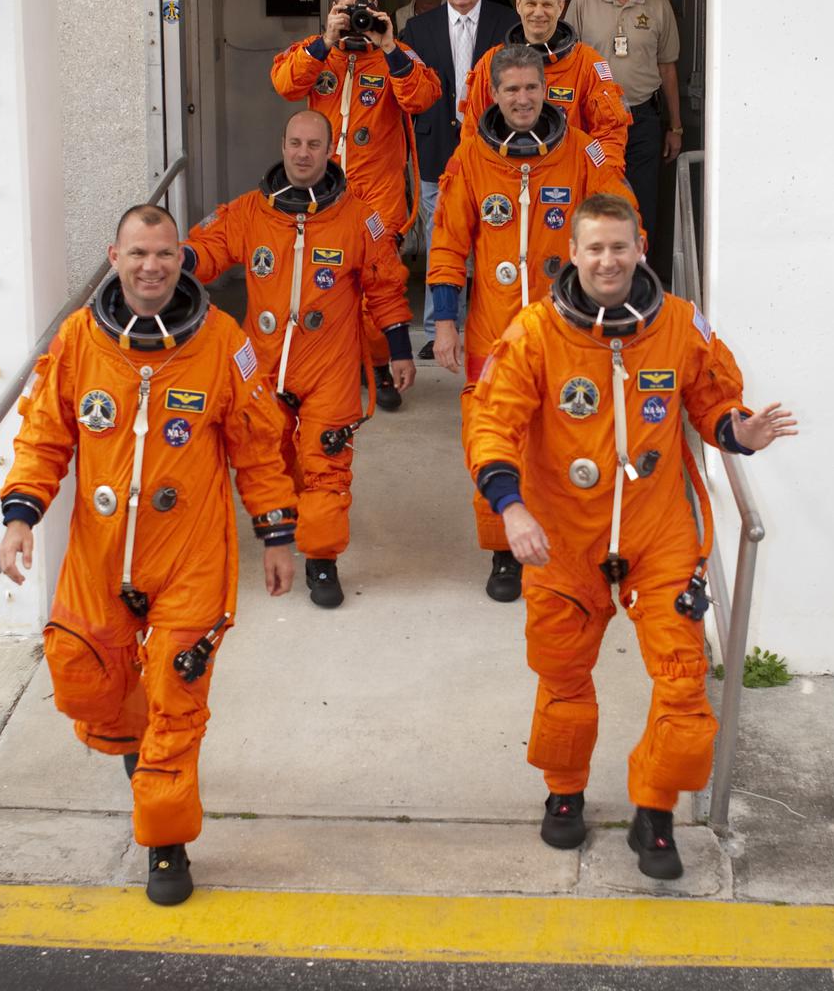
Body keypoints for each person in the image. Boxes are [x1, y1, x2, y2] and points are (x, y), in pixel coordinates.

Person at [466, 193, 797, 879]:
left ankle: (654, 809)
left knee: (681, 685)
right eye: (595, 248)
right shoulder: (534, 333)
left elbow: (713, 401)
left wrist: (742, 432)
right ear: (575, 254)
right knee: (561, 678)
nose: (608, 260)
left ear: (638, 249)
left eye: (619, 247)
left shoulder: (678, 325)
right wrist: (512, 510)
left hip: (658, 529)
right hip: (562, 534)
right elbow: (490, 423)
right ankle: (563, 794)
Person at [0, 205, 298, 907]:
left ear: (181, 259)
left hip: (189, 555)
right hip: (99, 555)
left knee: (176, 695)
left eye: (165, 253)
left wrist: (277, 531)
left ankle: (166, 843)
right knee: (82, 676)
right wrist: (20, 517)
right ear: (115, 256)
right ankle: (142, 754)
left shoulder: (223, 343)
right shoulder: (79, 340)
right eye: (138, 254)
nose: (152, 266)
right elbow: (44, 435)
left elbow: (258, 444)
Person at [429, 46, 639, 603]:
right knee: (493, 433)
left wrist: (623, 275)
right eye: (511, 90)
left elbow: (621, 209)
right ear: (493, 95)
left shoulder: (582, 152)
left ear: (546, 89)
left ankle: (570, 544)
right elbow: (448, 242)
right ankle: (504, 550)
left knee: (571, 431)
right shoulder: (471, 157)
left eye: (531, 88)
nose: (522, 100)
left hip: (564, 325)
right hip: (492, 329)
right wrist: (443, 323)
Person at [183, 110, 415, 610]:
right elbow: (207, 251)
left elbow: (386, 285)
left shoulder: (358, 216)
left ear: (329, 150)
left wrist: (398, 350)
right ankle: (279, 537)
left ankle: (322, 559)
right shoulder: (249, 212)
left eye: (313, 144)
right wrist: (169, 259)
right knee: (270, 460)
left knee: (325, 465)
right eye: (295, 143)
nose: (303, 153)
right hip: (263, 368)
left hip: (328, 367)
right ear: (283, 145)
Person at [271, 0, 439, 408]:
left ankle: (379, 366)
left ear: (378, 6)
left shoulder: (396, 55)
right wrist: (325, 40)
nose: (354, 16)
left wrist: (386, 45)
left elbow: (422, 97)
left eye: (362, 6)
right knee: (319, 283)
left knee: (379, 283)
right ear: (332, 9)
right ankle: (329, 367)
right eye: (346, 8)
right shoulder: (317, 52)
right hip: (322, 193)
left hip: (376, 194)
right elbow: (285, 84)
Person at [403, 0, 516, 359]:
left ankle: (491, 329)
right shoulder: (417, 28)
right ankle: (438, 330)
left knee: (492, 238)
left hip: (492, 149)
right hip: (437, 149)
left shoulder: (508, 24)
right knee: (440, 240)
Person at [566, 0, 683, 245]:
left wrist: (676, 126)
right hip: (594, 122)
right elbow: (566, 64)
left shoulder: (658, 6)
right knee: (592, 199)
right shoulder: (584, 1)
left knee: (642, 204)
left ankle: (639, 281)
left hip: (642, 120)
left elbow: (668, 67)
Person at [462, 0, 631, 171]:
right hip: (506, 180)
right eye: (531, 3)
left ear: (561, 7)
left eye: (547, 5)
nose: (538, 13)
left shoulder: (587, 64)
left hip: (568, 183)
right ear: (518, 4)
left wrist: (597, 180)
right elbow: (472, 134)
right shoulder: (491, 63)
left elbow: (609, 135)